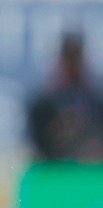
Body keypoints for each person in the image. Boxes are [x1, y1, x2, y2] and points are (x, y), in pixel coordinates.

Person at [27, 31, 103, 161]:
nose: (73, 66)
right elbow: (37, 145)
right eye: (69, 60)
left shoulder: (95, 101)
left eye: (75, 60)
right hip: (54, 169)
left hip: (88, 171)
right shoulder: (43, 104)